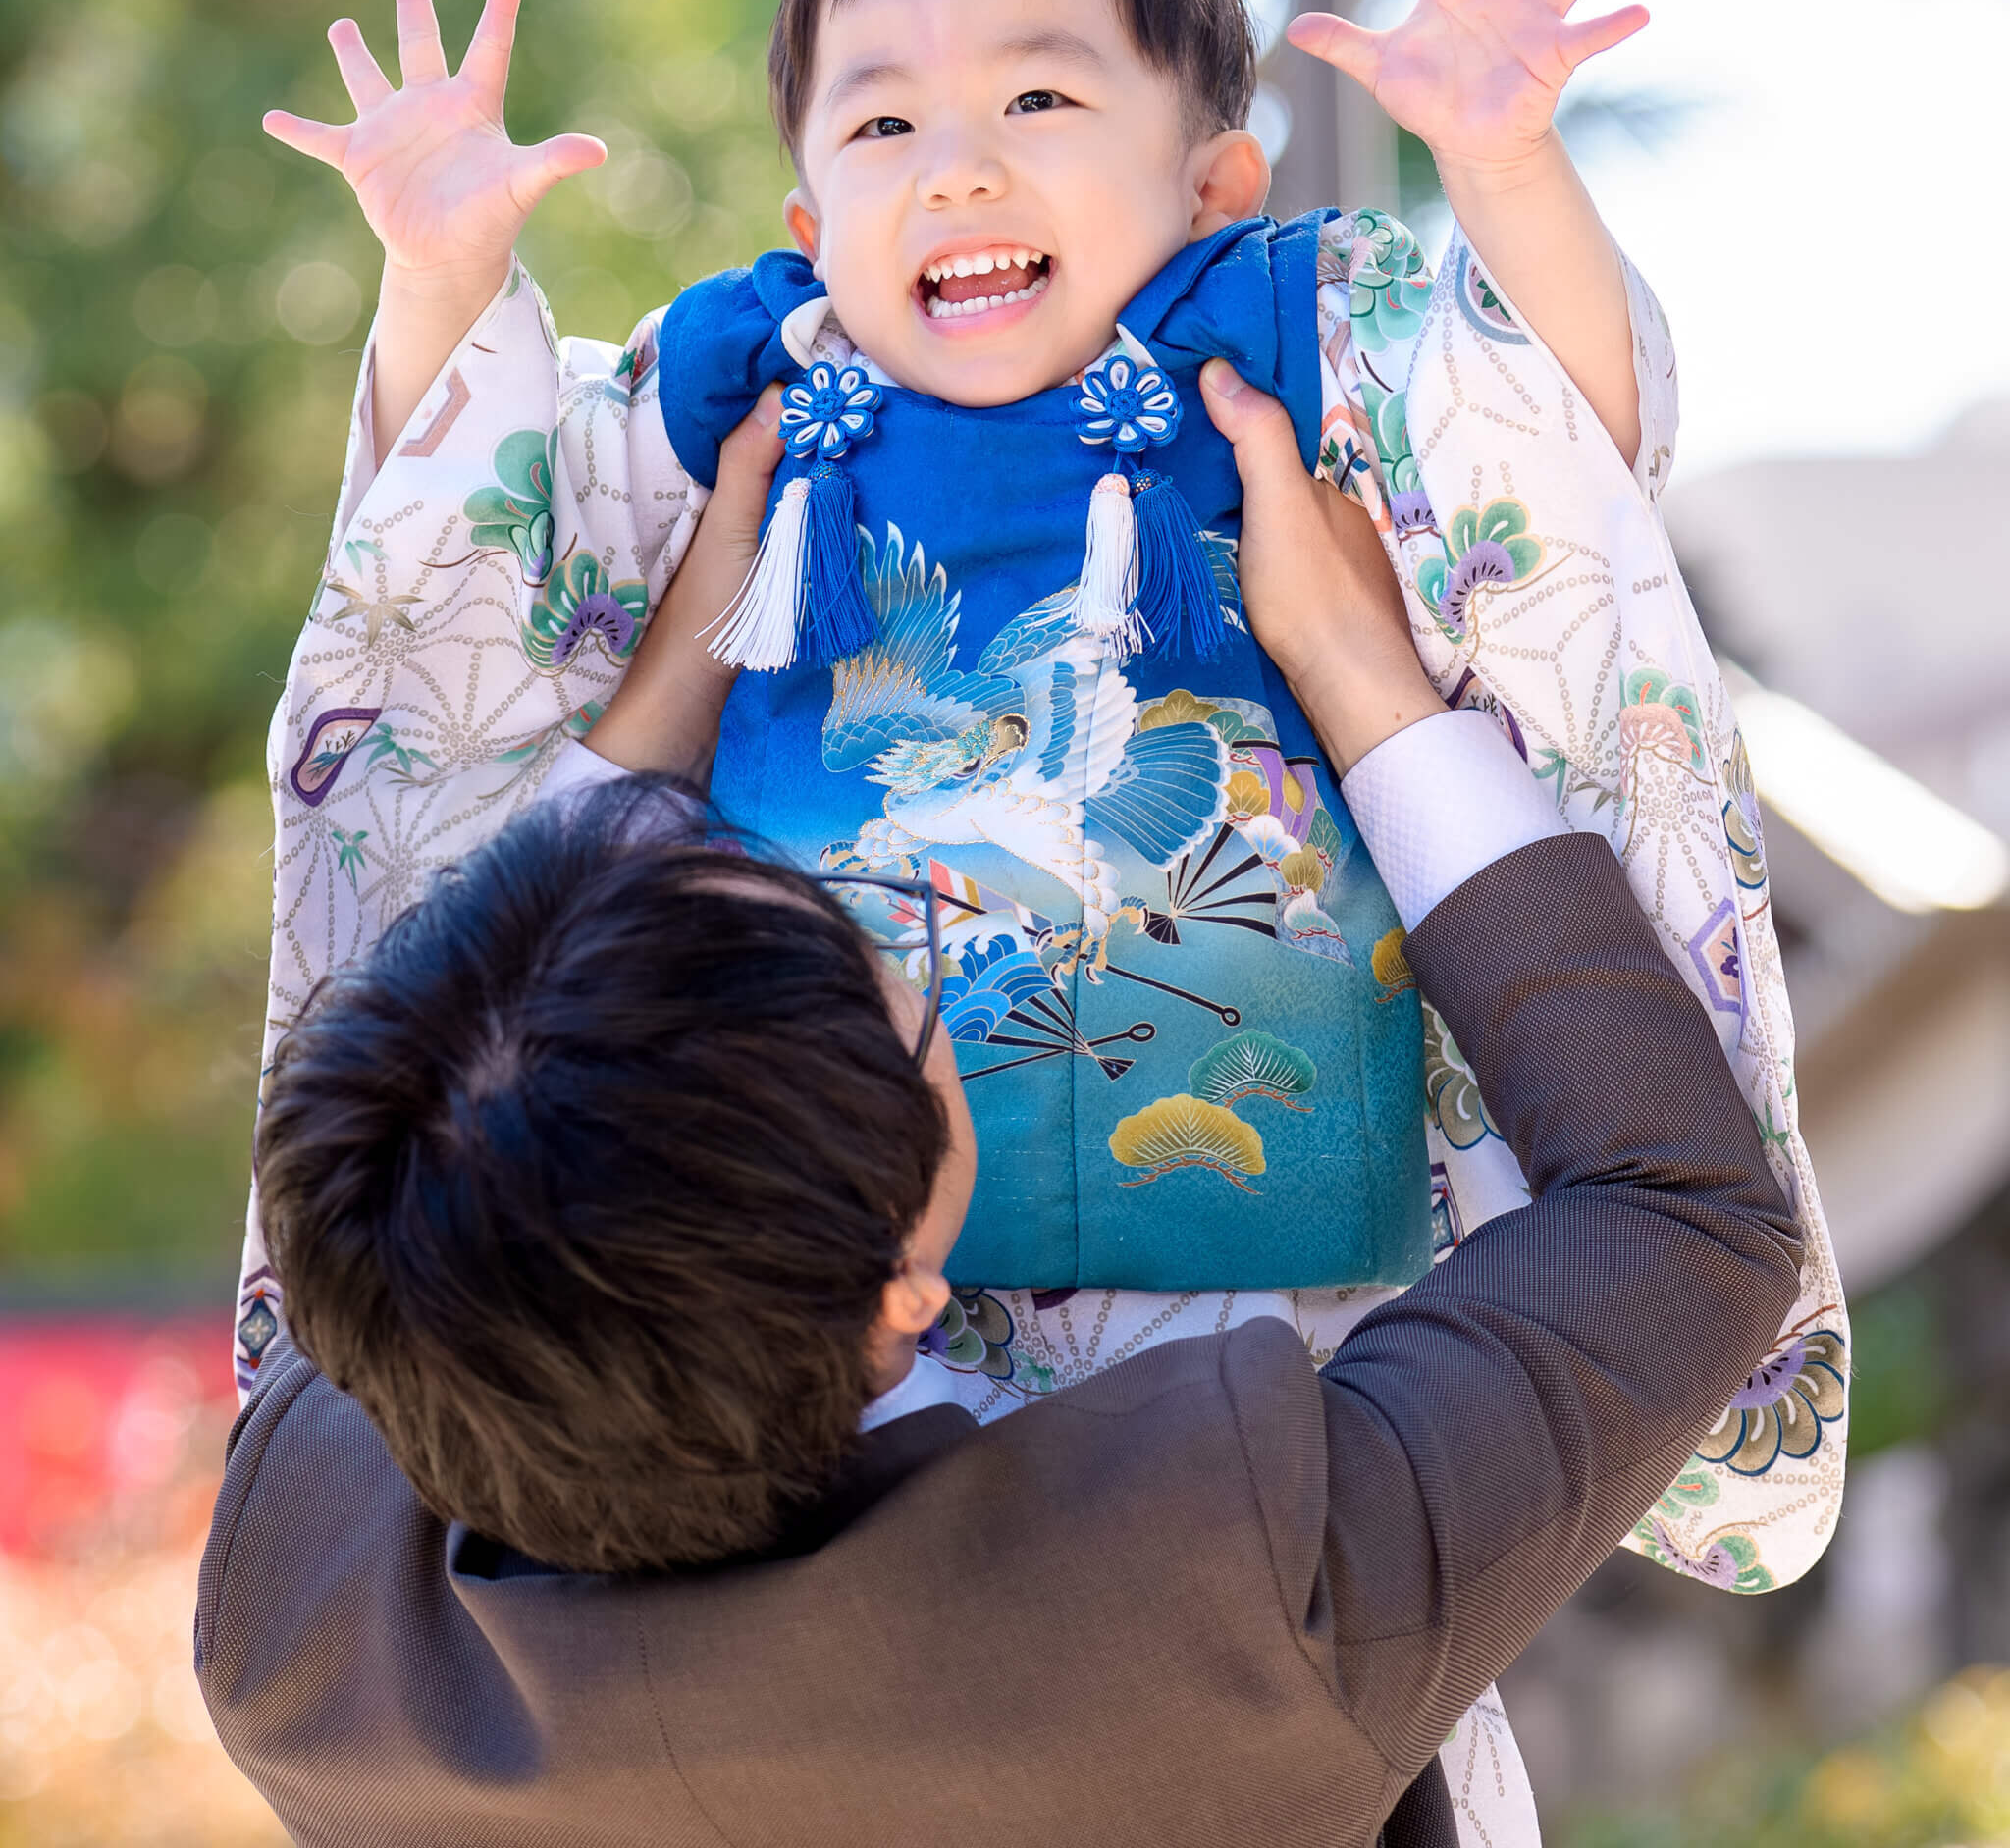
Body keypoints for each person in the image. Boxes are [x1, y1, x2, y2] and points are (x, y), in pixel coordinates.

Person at [242, 0, 1843, 1627]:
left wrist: (1507, 166)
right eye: (884, 123)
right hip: (852, 1254)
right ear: (808, 216)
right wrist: (443, 275)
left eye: (1039, 101)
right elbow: (488, 559)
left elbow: (1548, 422)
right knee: (885, 1608)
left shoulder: (1273, 327)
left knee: (1284, 1611)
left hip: (1282, 1255)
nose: (958, 170)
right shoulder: (748, 380)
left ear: (1212, 182)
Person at [198, 364, 1804, 1846]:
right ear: (906, 1285)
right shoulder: (1221, 1596)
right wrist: (1360, 671)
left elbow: (411, 1132)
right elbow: (1678, 1216)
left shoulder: (300, 1640)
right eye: (900, 983)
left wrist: (689, 658)